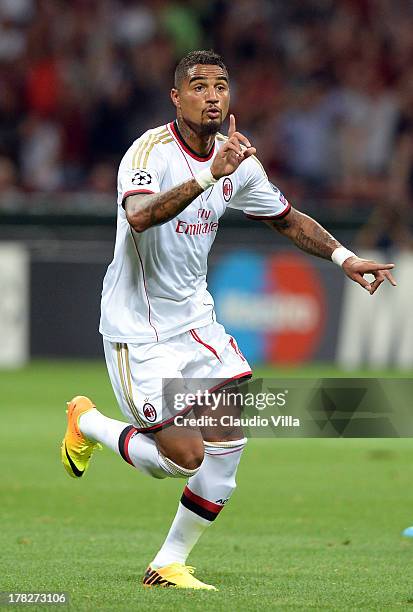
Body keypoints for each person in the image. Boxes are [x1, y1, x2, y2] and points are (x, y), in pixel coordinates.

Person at [61, 50, 397, 590]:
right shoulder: (148, 151)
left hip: (196, 322)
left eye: (221, 86)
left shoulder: (236, 161)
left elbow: (285, 219)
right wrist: (205, 178)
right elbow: (140, 217)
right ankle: (89, 423)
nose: (213, 95)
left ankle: (169, 563)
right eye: (199, 86)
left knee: (227, 447)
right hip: (138, 330)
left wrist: (344, 258)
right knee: (184, 457)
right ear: (177, 97)